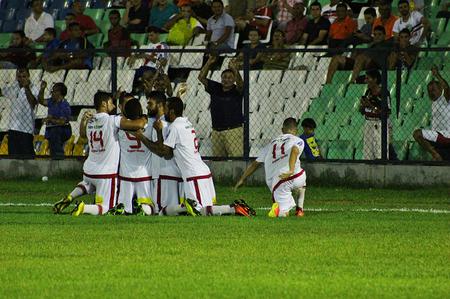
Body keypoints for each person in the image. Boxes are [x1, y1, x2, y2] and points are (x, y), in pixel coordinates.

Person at [133, 96, 254, 216]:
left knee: (200, 210)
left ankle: (233, 208)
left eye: (166, 108)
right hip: (203, 172)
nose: (163, 112)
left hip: (193, 175)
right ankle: (164, 212)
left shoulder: (175, 127)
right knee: (199, 208)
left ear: (172, 111)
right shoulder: (187, 122)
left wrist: (153, 133)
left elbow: (165, 153)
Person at [53, 91, 148, 215]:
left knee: (87, 185)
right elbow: (138, 124)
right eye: (111, 103)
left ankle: (70, 197)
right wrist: (144, 118)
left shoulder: (91, 120)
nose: (114, 106)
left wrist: (83, 122)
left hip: (89, 170)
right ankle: (84, 208)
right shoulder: (113, 120)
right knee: (107, 208)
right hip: (105, 173)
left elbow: (82, 136)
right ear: (104, 104)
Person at [234, 117, 307, 217]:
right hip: (297, 177)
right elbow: (295, 150)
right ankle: (299, 210)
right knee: (301, 181)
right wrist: (291, 170)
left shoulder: (271, 144)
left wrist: (242, 179)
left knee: (282, 214)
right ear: (296, 130)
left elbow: (255, 164)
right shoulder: (298, 140)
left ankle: (278, 210)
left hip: (279, 181)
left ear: (282, 130)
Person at [131, 91, 186, 215]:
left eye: (150, 104)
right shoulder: (169, 123)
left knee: (161, 211)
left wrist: (141, 137)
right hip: (172, 174)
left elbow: (161, 151)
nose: (147, 107)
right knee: (170, 211)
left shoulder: (161, 125)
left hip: (164, 173)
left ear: (160, 105)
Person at [111, 97, 155, 215]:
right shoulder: (150, 124)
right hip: (145, 175)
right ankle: (143, 209)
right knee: (150, 207)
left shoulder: (121, 128)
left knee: (124, 207)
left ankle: (124, 208)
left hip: (126, 175)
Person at [198, 55, 244, 157]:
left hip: (233, 131)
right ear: (221, 78)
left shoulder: (237, 90)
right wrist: (209, 62)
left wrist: (234, 69)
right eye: (224, 77)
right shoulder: (216, 87)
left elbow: (241, 84)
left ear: (234, 80)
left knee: (237, 160)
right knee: (218, 160)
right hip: (216, 131)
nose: (227, 79)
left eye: (230, 77)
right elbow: (201, 77)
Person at [326, 25, 392, 84]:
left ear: (384, 35)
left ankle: (352, 82)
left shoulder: (387, 44)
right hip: (360, 62)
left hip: (374, 64)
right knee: (336, 58)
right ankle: (327, 84)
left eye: (379, 34)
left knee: (361, 57)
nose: (377, 36)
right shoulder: (371, 44)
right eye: (375, 34)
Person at [1, 69, 39, 159]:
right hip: (13, 128)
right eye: (19, 77)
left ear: (28, 76)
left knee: (27, 158)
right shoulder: (14, 87)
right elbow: (2, 92)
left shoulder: (34, 88)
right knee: (13, 158)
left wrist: (26, 88)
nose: (21, 79)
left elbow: (33, 103)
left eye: (24, 76)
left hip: (26, 129)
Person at [413, 67, 450, 161]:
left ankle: (435, 154)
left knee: (417, 133)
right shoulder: (434, 103)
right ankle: (437, 155)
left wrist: (437, 75)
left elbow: (446, 87)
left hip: (446, 135)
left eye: (433, 89)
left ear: (440, 89)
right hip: (437, 136)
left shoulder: (444, 99)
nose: (431, 92)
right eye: (429, 91)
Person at [359, 69, 391, 160]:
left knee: (380, 152)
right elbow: (362, 111)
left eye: (368, 78)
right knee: (367, 154)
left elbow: (387, 112)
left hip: (380, 124)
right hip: (368, 122)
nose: (365, 81)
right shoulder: (367, 92)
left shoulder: (384, 93)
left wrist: (371, 106)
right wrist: (362, 106)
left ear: (375, 79)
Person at [128, 26, 170, 94]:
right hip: (145, 68)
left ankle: (140, 90)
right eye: (148, 36)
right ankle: (132, 90)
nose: (149, 38)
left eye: (151, 35)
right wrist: (134, 56)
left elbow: (163, 62)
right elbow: (144, 55)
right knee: (132, 73)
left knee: (146, 74)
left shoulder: (163, 46)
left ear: (157, 34)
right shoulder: (149, 45)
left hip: (155, 69)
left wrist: (148, 57)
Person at [37, 81, 72, 160]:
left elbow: (62, 122)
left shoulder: (64, 105)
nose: (51, 93)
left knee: (55, 134)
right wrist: (42, 89)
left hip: (63, 130)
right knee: (52, 142)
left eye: (53, 91)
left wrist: (49, 119)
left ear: (59, 93)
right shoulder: (52, 102)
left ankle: (58, 159)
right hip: (52, 129)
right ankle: (54, 158)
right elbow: (41, 101)